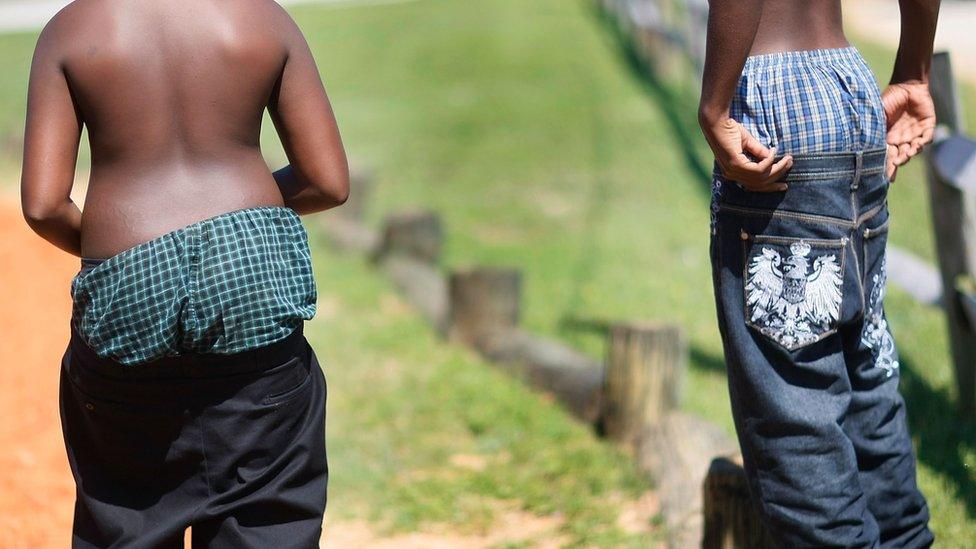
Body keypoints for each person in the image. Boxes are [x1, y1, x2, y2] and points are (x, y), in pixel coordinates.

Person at [20, 0, 348, 546]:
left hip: (126, 279)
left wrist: (127, 261)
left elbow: (44, 205)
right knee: (270, 505)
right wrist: (230, 225)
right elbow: (327, 181)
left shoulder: (70, 30)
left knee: (129, 508)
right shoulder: (262, 18)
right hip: (248, 274)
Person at [699, 0, 939, 546]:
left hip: (770, 102)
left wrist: (715, 106)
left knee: (795, 413)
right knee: (866, 377)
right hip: (848, 84)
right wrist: (913, 70)